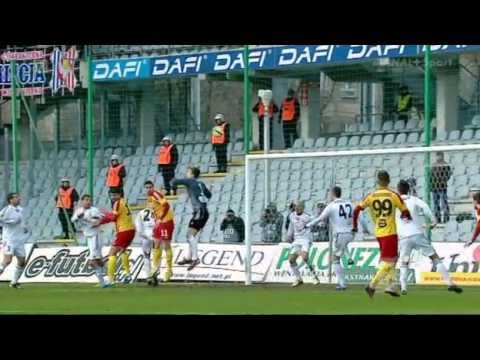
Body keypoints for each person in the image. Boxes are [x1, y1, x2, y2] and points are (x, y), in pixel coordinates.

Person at [396, 180, 462, 295]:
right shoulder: (414, 199)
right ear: (408, 189)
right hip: (417, 234)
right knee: (434, 257)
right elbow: (425, 207)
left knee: (404, 261)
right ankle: (450, 283)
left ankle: (403, 287)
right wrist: (433, 220)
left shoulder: (394, 201)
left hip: (403, 237)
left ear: (398, 190)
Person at [353, 170, 412, 298]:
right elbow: (405, 211)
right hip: (390, 232)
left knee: (390, 258)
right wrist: (406, 217)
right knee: (390, 261)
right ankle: (372, 285)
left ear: (378, 181)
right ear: (389, 181)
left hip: (379, 233)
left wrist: (355, 226)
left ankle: (391, 286)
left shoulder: (371, 195)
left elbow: (356, 210)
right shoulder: (393, 195)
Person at [307, 186, 354, 290]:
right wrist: (363, 229)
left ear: (332, 194)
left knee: (335, 259)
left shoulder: (331, 206)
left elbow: (320, 218)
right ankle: (349, 257)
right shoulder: (349, 203)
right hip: (350, 233)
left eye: (329, 193)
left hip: (340, 233)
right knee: (342, 246)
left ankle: (342, 284)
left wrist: (308, 225)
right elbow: (360, 217)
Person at [171, 167, 212, 271]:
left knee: (189, 235)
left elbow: (175, 181)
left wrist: (171, 183)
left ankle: (195, 258)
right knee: (191, 236)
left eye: (188, 172)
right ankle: (188, 258)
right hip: (204, 212)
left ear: (192, 174)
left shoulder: (190, 180)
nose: (186, 174)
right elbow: (209, 195)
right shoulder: (201, 183)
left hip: (199, 212)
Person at [98, 188, 136, 286]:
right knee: (123, 251)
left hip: (124, 230)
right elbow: (116, 217)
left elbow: (114, 217)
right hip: (131, 230)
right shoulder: (125, 202)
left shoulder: (117, 203)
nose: (113, 197)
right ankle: (128, 276)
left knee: (112, 253)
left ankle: (111, 279)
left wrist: (103, 218)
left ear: (120, 195)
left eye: (115, 195)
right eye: (111, 195)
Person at [71, 194, 109, 288]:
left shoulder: (94, 210)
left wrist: (88, 220)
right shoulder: (79, 211)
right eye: (86, 200)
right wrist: (78, 217)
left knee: (92, 262)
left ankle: (102, 282)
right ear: (82, 201)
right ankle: (109, 277)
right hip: (89, 237)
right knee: (99, 260)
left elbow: (98, 222)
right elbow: (72, 219)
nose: (88, 201)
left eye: (89, 200)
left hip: (95, 236)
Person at [144, 181, 175, 284]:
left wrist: (161, 218)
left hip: (166, 221)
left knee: (166, 245)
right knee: (156, 245)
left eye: (150, 187)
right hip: (159, 223)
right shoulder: (149, 197)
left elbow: (166, 205)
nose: (148, 189)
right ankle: (155, 269)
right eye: (147, 187)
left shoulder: (156, 194)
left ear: (153, 187)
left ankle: (169, 271)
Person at [286, 201, 319, 287]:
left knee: (304, 257)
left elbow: (316, 221)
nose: (296, 208)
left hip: (305, 239)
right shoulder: (291, 215)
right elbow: (291, 226)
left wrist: (309, 226)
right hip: (297, 239)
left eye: (297, 206)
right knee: (291, 260)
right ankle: (298, 278)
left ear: (302, 207)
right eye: (295, 206)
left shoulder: (307, 217)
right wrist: (289, 235)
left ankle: (314, 276)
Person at [0, 193, 28, 288]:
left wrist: (24, 227)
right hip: (9, 239)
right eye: (16, 197)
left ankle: (14, 282)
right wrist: (11, 222)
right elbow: (1, 219)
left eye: (18, 197)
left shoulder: (21, 209)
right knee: (7, 260)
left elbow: (21, 220)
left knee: (22, 261)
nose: (18, 198)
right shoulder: (6, 210)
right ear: (10, 200)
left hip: (19, 240)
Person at [135, 208, 156, 284]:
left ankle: (148, 276)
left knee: (147, 256)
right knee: (157, 254)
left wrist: (142, 235)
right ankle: (155, 272)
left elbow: (138, 227)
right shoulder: (157, 210)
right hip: (155, 233)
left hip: (145, 234)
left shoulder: (141, 212)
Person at [430, 151, 452, 223]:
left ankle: (446, 218)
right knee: (436, 204)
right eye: (437, 156)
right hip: (434, 187)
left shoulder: (445, 165)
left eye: (439, 156)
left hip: (442, 187)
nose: (438, 157)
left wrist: (442, 180)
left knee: (444, 203)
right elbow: (430, 176)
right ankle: (438, 218)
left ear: (442, 156)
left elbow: (448, 175)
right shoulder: (433, 165)